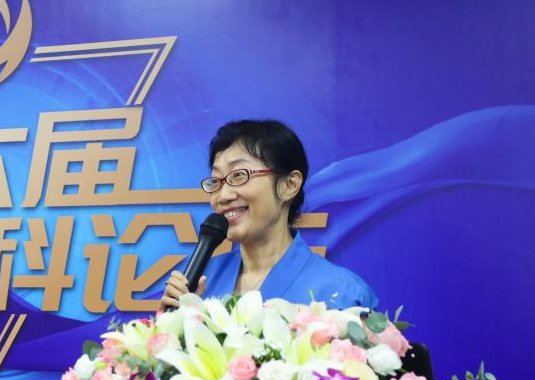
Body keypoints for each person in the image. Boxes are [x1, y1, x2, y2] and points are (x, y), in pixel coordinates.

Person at [159, 119, 378, 311]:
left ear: (289, 185)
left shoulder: (342, 292)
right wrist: (178, 324)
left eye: (239, 175)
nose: (223, 195)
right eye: (216, 181)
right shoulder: (199, 280)